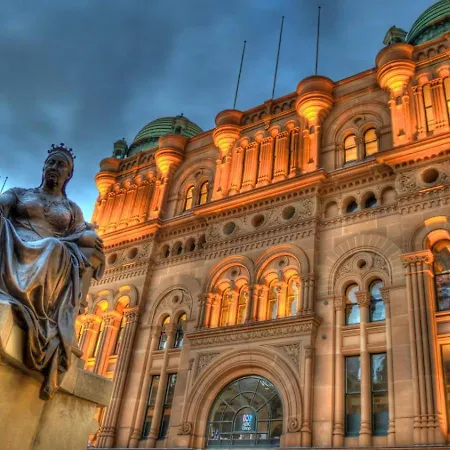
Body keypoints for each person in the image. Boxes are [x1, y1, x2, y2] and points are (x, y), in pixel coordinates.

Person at [0, 144, 104, 399]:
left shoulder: (72, 209)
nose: (54, 168)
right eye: (51, 163)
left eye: (61, 165)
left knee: (54, 247)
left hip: (50, 250)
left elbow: (82, 234)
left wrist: (90, 237)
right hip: (12, 240)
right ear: (43, 167)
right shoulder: (20, 193)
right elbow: (3, 204)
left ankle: (33, 308)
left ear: (68, 174)